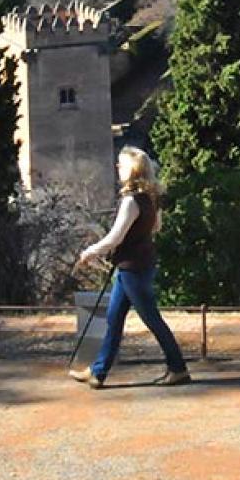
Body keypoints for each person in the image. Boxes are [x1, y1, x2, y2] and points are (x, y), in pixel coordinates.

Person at [68, 147, 192, 389]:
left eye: (121, 165)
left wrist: (90, 251)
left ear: (133, 170)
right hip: (138, 266)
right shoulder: (151, 198)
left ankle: (178, 368)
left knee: (152, 320)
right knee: (114, 321)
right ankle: (98, 372)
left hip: (132, 269)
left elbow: (115, 237)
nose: (117, 169)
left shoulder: (130, 201)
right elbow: (156, 228)